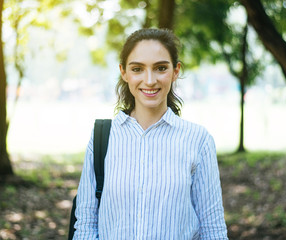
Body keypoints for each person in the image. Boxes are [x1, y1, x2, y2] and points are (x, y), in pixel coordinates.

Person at [73, 28, 228, 239]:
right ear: (123, 72)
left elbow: (213, 230)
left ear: (176, 71)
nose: (149, 80)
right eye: (137, 69)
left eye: (160, 68)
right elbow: (85, 225)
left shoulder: (197, 140)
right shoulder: (103, 138)